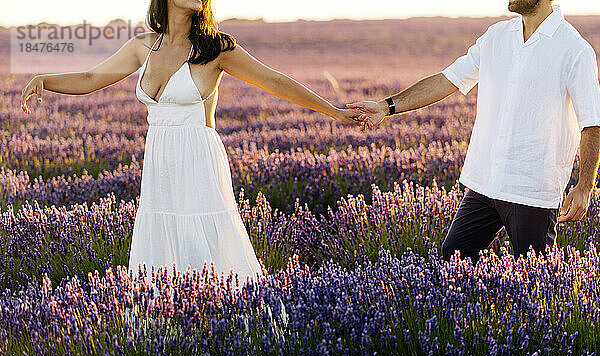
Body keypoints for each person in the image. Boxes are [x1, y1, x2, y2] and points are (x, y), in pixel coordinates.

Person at [20, 0, 361, 287]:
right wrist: (44, 80)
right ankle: (166, 334)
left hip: (198, 157)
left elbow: (273, 80)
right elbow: (92, 78)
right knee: (162, 240)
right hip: (160, 161)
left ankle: (228, 328)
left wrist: (333, 111)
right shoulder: (144, 45)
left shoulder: (217, 48)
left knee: (206, 239)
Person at [349, 0, 600, 265]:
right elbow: (447, 80)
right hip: (485, 183)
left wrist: (585, 186)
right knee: (453, 259)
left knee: (536, 278)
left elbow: (592, 123)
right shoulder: (497, 36)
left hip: (531, 188)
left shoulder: (573, 49)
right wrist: (386, 107)